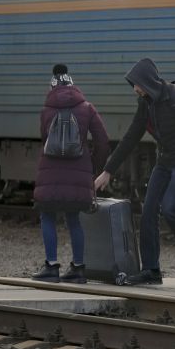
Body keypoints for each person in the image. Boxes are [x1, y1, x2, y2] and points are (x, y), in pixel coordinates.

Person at [94, 58, 175, 285]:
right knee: (148, 211)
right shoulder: (146, 103)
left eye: (136, 83)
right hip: (165, 161)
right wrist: (108, 171)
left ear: (147, 81)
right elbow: (131, 137)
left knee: (169, 207)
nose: (135, 89)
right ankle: (151, 270)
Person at [32, 64, 110, 284]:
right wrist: (92, 165)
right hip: (78, 173)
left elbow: (43, 140)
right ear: (73, 86)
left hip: (50, 173)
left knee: (47, 215)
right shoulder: (86, 107)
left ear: (53, 88)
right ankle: (77, 268)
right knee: (74, 218)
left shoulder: (47, 109)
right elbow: (103, 142)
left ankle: (51, 266)